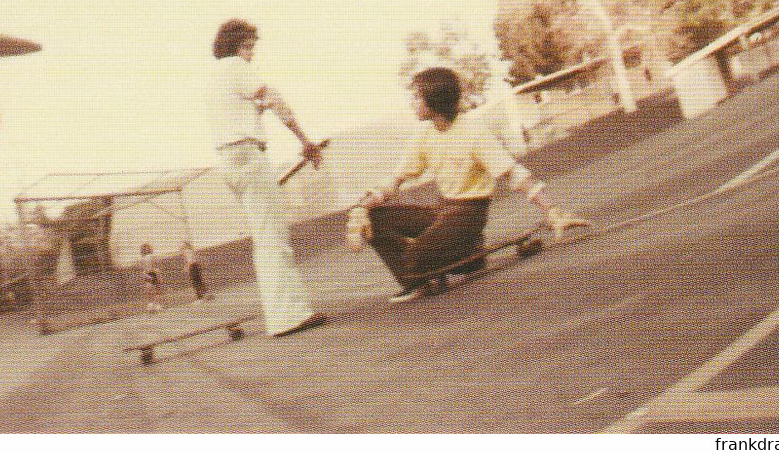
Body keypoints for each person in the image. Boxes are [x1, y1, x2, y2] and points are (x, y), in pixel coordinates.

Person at [347, 67, 592, 303]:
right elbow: (396, 180)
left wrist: (551, 210)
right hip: (442, 210)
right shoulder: (424, 135)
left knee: (413, 260)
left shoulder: (473, 131)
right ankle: (428, 275)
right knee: (374, 218)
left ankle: (455, 255)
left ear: (434, 99)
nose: (412, 102)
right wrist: (365, 204)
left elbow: (513, 173)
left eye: (417, 96)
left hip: (469, 213)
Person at [205, 18, 327, 336]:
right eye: (247, 46)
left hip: (229, 160)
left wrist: (257, 111)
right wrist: (306, 142)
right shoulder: (235, 66)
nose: (251, 54)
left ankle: (283, 312)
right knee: (273, 237)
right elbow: (274, 98)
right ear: (233, 47)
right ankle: (288, 316)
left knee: (265, 237)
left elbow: (248, 110)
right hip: (247, 155)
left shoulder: (215, 77)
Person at [137, 243, 163, 313]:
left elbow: (156, 267)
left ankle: (157, 305)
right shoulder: (142, 259)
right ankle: (150, 305)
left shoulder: (153, 256)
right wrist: (145, 275)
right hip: (147, 274)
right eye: (144, 248)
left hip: (154, 273)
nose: (146, 249)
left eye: (147, 248)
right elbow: (142, 270)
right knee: (149, 290)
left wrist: (158, 275)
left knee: (157, 290)